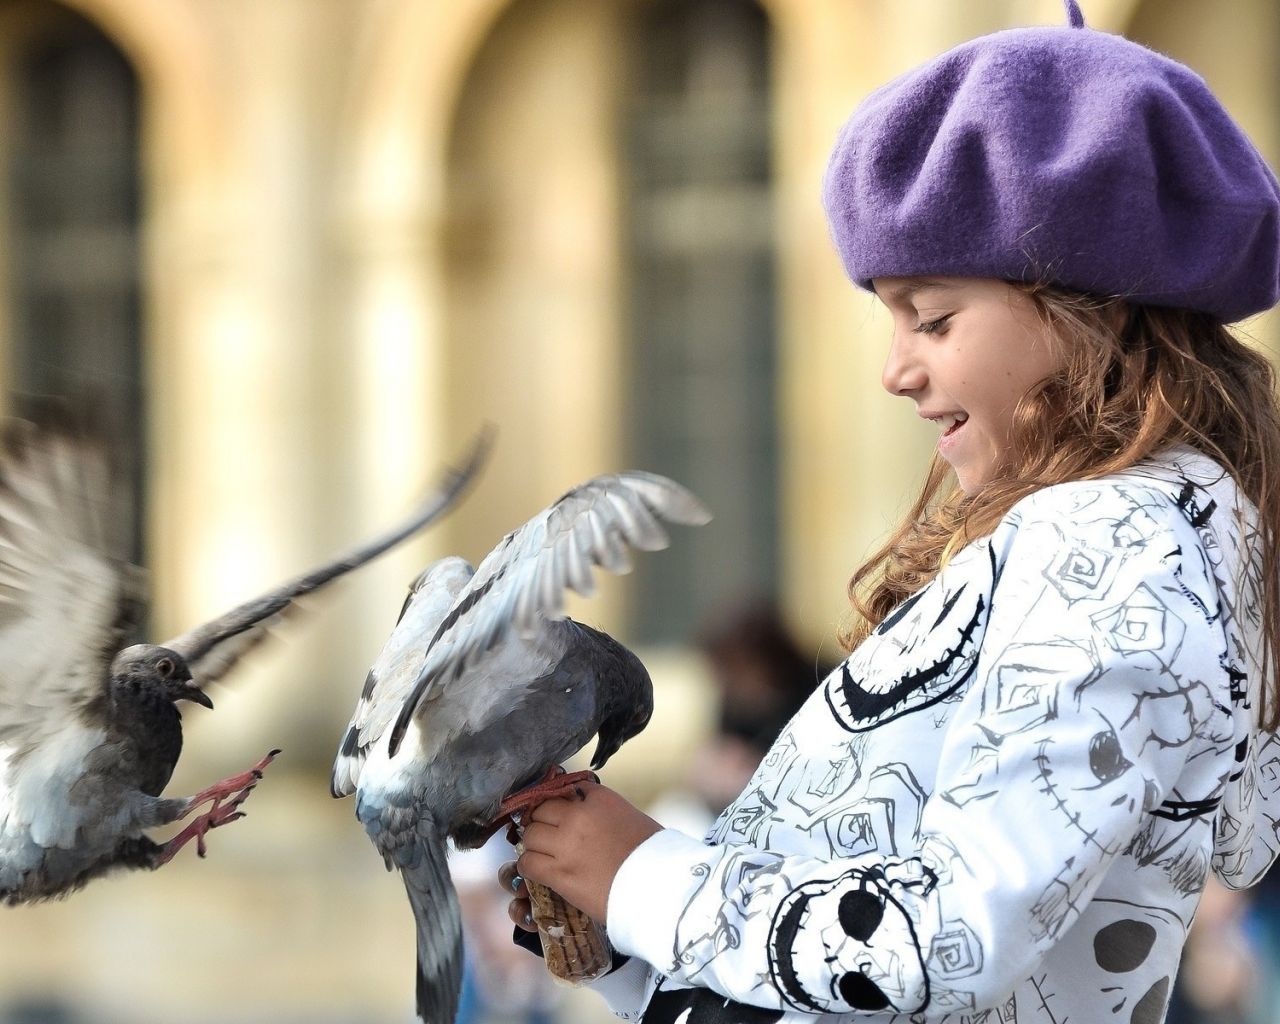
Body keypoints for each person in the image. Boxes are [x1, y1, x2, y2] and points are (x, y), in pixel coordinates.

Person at [499, 2, 1280, 1020]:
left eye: (934, 317)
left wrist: (645, 874)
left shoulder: (1115, 544)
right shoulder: (1131, 532)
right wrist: (618, 920)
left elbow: (950, 937)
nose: (894, 370)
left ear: (1094, 308)